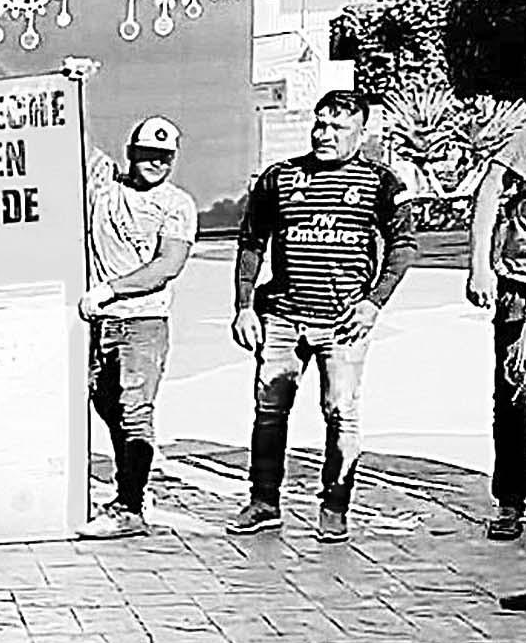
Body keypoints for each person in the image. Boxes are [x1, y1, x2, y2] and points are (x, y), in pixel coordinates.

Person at [228, 90, 418, 543]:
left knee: (340, 412)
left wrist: (375, 302)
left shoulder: (381, 182)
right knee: (269, 411)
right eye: (320, 124)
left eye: (338, 127)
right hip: (282, 317)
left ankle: (335, 505)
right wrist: (243, 306)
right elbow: (252, 241)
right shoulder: (279, 177)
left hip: (343, 321)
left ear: (361, 133)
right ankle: (264, 501)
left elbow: (404, 244)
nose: (324, 134)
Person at [74, 118, 198, 540]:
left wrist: (111, 289)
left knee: (134, 410)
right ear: (131, 152)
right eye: (147, 154)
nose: (156, 163)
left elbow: (168, 265)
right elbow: (72, 130)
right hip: (98, 322)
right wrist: (65, 88)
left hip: (142, 321)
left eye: (165, 157)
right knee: (105, 404)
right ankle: (135, 488)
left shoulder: (177, 203)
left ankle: (129, 507)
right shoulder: (104, 185)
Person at [466, 123, 526, 541]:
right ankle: (510, 499)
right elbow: (489, 190)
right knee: (514, 391)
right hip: (521, 285)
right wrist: (479, 265)